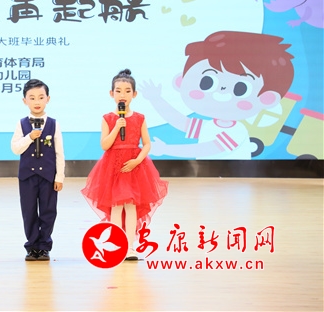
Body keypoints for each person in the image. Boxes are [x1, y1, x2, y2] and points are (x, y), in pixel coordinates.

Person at [140, 31, 295, 159]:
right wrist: (156, 99)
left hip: (235, 182)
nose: (223, 91)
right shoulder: (211, 125)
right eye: (207, 82)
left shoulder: (237, 131)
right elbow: (182, 123)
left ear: (267, 98)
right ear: (181, 81)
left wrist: (166, 149)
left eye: (241, 88)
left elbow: (207, 149)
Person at [81, 69, 168, 261]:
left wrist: (137, 160)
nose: (123, 95)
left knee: (131, 206)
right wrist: (116, 128)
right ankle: (116, 244)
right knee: (116, 206)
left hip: (134, 166)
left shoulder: (140, 118)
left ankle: (130, 247)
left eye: (127, 91)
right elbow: (105, 145)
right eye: (118, 91)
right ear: (111, 93)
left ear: (134, 94)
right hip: (113, 167)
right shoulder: (108, 118)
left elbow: (147, 144)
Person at [11, 79, 65, 261]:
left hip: (48, 176)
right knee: (29, 211)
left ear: (48, 99)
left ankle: (44, 246)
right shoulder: (21, 124)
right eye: (32, 98)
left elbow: (59, 152)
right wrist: (29, 137)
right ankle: (32, 246)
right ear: (24, 100)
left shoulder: (54, 124)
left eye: (41, 97)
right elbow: (15, 148)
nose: (37, 101)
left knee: (49, 210)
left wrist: (59, 177)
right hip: (27, 176)